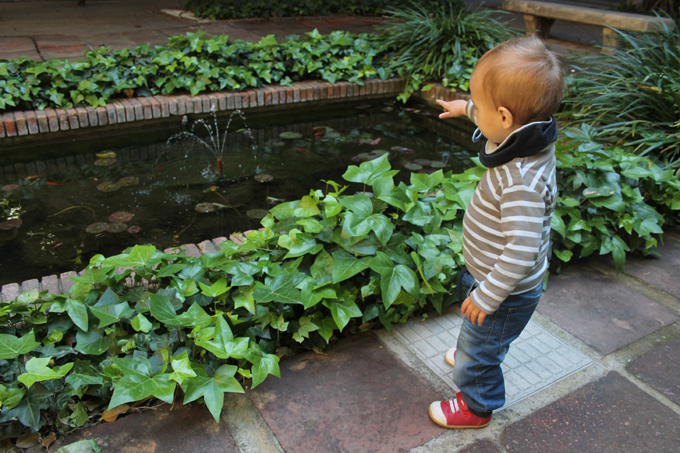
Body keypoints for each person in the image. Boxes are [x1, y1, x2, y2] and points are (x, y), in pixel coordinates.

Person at [429, 35, 564, 429]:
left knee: (482, 348)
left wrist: (488, 296)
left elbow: (521, 250)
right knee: (480, 337)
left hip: (503, 290)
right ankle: (477, 349)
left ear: (504, 118)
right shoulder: (527, 132)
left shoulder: (521, 180)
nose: (474, 109)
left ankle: (475, 406)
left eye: (478, 104)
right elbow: (496, 117)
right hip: (489, 277)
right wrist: (466, 108)